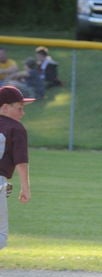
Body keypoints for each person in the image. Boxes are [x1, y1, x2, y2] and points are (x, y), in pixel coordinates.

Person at [0, 85, 35, 251]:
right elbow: (21, 161)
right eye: (19, 108)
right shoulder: (16, 128)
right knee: (1, 236)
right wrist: (25, 188)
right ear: (5, 107)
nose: (23, 113)